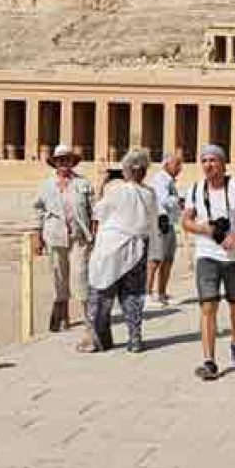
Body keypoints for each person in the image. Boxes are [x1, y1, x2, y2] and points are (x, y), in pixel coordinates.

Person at [181, 144, 235, 381]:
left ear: (223, 163)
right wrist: (205, 229)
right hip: (206, 254)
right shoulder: (195, 189)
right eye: (204, 161)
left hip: (234, 255)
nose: (208, 165)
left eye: (213, 160)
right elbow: (185, 221)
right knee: (208, 306)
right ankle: (209, 361)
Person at [80, 149, 160, 354]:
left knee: (101, 295)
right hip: (139, 249)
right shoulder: (150, 193)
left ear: (125, 171)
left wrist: (101, 186)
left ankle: (99, 340)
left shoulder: (116, 190)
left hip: (112, 249)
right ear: (144, 171)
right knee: (133, 296)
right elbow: (152, 223)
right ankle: (135, 339)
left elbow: (98, 212)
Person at [34, 144, 95, 332]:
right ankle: (63, 317)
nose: (64, 164)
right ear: (55, 163)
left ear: (72, 162)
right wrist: (38, 235)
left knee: (81, 274)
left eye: (67, 160)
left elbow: (94, 211)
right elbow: (39, 210)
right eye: (60, 160)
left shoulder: (83, 183)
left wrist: (94, 235)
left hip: (79, 236)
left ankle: (89, 316)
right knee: (59, 275)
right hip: (54, 235)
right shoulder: (46, 185)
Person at [147, 151, 183, 307]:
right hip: (159, 222)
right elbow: (163, 200)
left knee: (168, 259)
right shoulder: (160, 179)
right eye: (177, 164)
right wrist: (180, 199)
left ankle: (162, 293)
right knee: (155, 259)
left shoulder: (170, 181)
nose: (179, 168)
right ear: (167, 164)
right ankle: (146, 294)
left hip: (170, 223)